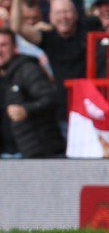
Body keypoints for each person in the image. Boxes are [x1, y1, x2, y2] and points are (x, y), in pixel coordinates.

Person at [0, 28, 65, 158]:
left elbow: (51, 99)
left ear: (15, 48)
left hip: (34, 154)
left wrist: (26, 110)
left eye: (4, 45)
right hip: (6, 153)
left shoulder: (28, 70)